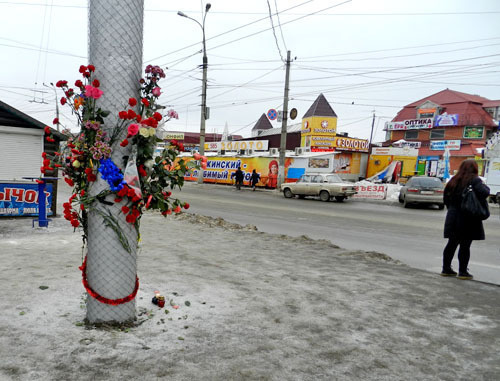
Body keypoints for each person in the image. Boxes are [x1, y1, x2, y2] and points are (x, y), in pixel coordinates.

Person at [441, 159, 490, 280]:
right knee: (465, 245)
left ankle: (446, 269)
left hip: (453, 216)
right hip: (468, 218)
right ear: (474, 168)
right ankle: (463, 272)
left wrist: (452, 209)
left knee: (452, 243)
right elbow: (485, 193)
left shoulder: (453, 180)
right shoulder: (475, 180)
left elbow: (446, 198)